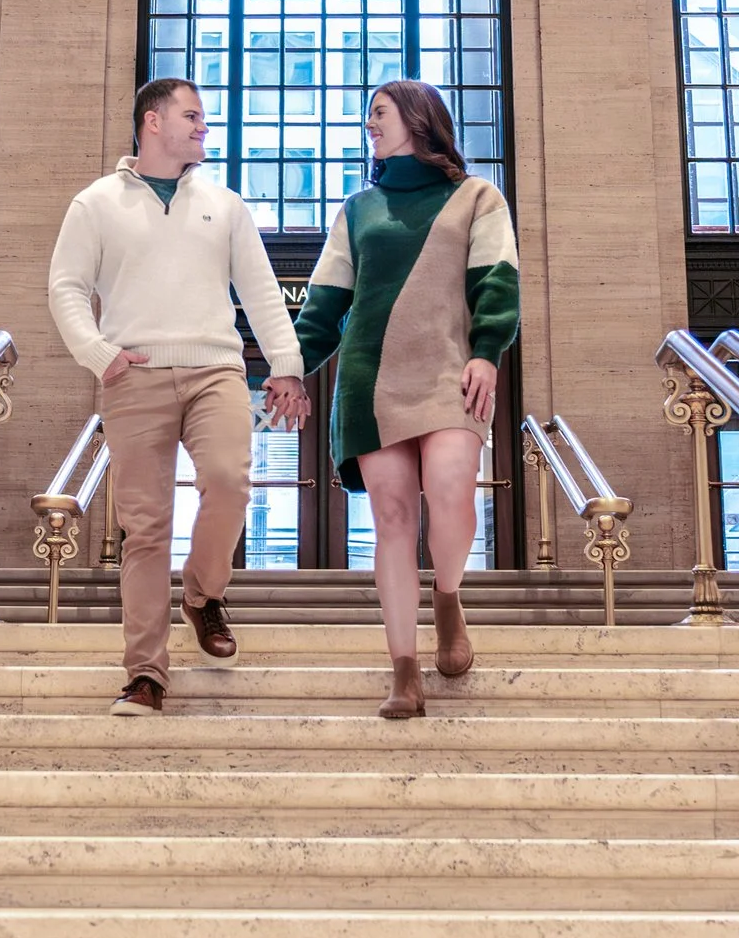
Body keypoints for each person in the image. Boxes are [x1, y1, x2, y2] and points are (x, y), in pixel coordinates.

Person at [48, 77, 310, 716]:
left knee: (227, 481)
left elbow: (261, 290)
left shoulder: (225, 203)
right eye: (192, 116)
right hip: (132, 378)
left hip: (215, 368)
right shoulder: (97, 203)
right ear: (152, 121)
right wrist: (99, 354)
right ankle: (145, 673)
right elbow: (66, 287)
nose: (203, 127)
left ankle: (202, 594)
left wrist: (288, 367)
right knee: (145, 529)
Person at [292, 80, 520, 719]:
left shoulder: (477, 197)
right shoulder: (358, 209)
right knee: (392, 520)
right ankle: (404, 671)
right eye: (368, 118)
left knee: (450, 490)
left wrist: (487, 351)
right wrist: (288, 370)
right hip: (371, 379)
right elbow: (326, 303)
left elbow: (497, 282)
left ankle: (448, 599)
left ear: (419, 121)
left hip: (453, 370)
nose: (370, 126)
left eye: (379, 115)